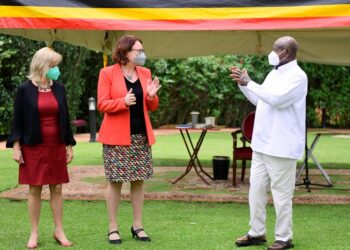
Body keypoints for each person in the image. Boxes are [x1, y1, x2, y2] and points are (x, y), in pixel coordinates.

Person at [230, 36, 307, 250]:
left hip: (281, 146)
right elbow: (260, 99)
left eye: (276, 49)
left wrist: (251, 82)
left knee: (282, 195)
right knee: (256, 190)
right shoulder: (274, 73)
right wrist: (243, 85)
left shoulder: (298, 77)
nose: (272, 52)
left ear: (286, 53)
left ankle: (284, 237)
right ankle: (257, 232)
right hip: (262, 144)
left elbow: (277, 100)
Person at [6, 47, 76, 249]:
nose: (56, 69)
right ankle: (34, 233)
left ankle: (59, 230)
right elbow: (17, 121)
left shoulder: (59, 88)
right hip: (32, 145)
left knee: (57, 187)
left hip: (56, 144)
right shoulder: (24, 90)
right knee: (34, 188)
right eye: (53, 65)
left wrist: (68, 144)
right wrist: (16, 147)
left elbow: (65, 119)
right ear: (42, 65)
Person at [97, 35, 161, 244]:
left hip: (140, 136)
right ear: (125, 52)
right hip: (116, 138)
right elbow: (102, 104)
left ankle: (137, 226)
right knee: (115, 182)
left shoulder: (145, 73)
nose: (142, 54)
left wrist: (151, 96)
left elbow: (151, 106)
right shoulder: (107, 73)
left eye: (142, 50)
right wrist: (122, 102)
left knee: (138, 182)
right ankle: (112, 227)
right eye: (138, 51)